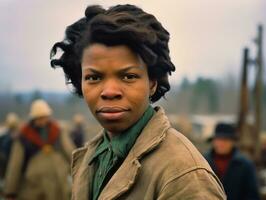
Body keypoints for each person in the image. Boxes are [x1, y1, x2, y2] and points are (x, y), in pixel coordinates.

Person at [50, 4, 226, 200]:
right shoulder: (92, 158)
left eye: (128, 76)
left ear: (152, 82)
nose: (109, 91)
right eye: (93, 78)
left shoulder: (183, 176)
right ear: (79, 80)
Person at [3, 99, 75, 200]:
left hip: (58, 183)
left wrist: (79, 174)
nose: (42, 120)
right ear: (33, 118)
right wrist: (10, 191)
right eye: (39, 118)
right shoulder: (24, 135)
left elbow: (70, 152)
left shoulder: (57, 130)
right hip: (34, 187)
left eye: (44, 117)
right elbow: (15, 164)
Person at [205, 122, 261, 200]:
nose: (221, 143)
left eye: (225, 140)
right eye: (218, 139)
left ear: (232, 142)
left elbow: (252, 195)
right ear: (214, 141)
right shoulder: (204, 163)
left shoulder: (245, 165)